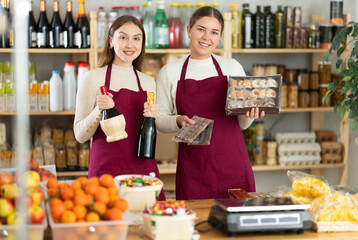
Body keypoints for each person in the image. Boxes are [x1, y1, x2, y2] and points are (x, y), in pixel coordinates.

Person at [156, 6, 265, 200]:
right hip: (194, 166)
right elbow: (159, 121)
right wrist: (178, 120)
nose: (207, 37)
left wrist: (249, 115)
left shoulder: (231, 67)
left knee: (236, 225)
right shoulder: (169, 71)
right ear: (189, 30)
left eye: (214, 32)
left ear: (220, 36)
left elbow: (241, 124)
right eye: (201, 29)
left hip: (233, 163)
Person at [74, 15, 165, 199]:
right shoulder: (92, 78)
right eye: (123, 37)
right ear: (111, 41)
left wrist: (155, 117)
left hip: (143, 169)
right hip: (106, 171)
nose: (130, 44)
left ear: (142, 44)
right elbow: (80, 135)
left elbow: (149, 132)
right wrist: (98, 110)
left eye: (136, 38)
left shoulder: (148, 82)